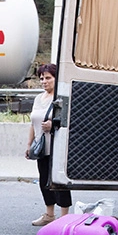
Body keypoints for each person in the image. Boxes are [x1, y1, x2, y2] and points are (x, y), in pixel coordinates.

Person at [26, 63, 71, 226]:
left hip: (57, 146)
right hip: (41, 145)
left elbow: (68, 121)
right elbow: (32, 123)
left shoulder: (61, 98)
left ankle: (64, 217)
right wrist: (29, 144)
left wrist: (53, 124)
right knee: (44, 179)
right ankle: (49, 214)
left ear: (56, 79)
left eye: (48, 78)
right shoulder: (39, 98)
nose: (44, 81)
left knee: (59, 181)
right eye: (42, 78)